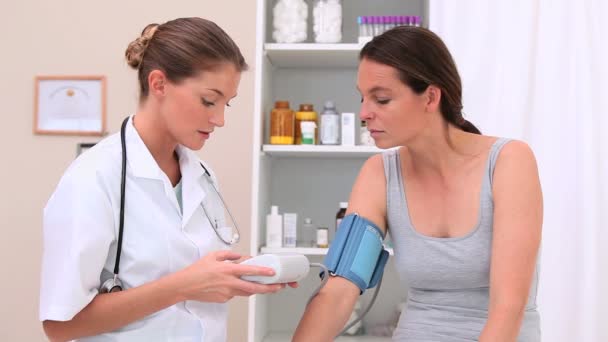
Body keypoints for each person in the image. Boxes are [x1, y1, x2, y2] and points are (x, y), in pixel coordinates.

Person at [39, 17, 294, 341]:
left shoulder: (201, 175)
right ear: (159, 84)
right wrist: (185, 285)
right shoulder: (93, 177)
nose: (220, 119)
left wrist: (235, 275)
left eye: (226, 104)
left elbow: (193, 277)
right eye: (208, 101)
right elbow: (60, 325)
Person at [293, 26, 542, 342]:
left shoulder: (508, 161)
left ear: (431, 97)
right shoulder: (379, 173)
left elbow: (508, 308)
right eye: (362, 97)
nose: (363, 113)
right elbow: (339, 291)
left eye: (381, 99)